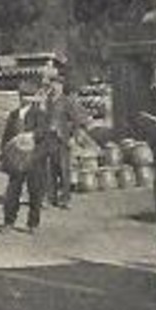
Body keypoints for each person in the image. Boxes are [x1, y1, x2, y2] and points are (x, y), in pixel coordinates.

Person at [0, 79, 48, 232]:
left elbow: (42, 132)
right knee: (12, 192)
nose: (23, 98)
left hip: (33, 158)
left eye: (27, 95)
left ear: (33, 97)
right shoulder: (14, 114)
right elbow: (6, 136)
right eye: (21, 95)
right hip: (16, 159)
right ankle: (8, 222)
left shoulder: (39, 114)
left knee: (35, 191)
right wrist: (3, 153)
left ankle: (33, 224)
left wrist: (31, 135)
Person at [41, 71, 88, 208]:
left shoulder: (66, 101)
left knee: (63, 170)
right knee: (49, 170)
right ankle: (50, 198)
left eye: (58, 84)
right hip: (48, 139)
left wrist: (73, 136)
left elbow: (76, 121)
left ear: (61, 86)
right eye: (53, 84)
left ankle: (65, 199)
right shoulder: (47, 101)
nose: (55, 87)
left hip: (62, 139)